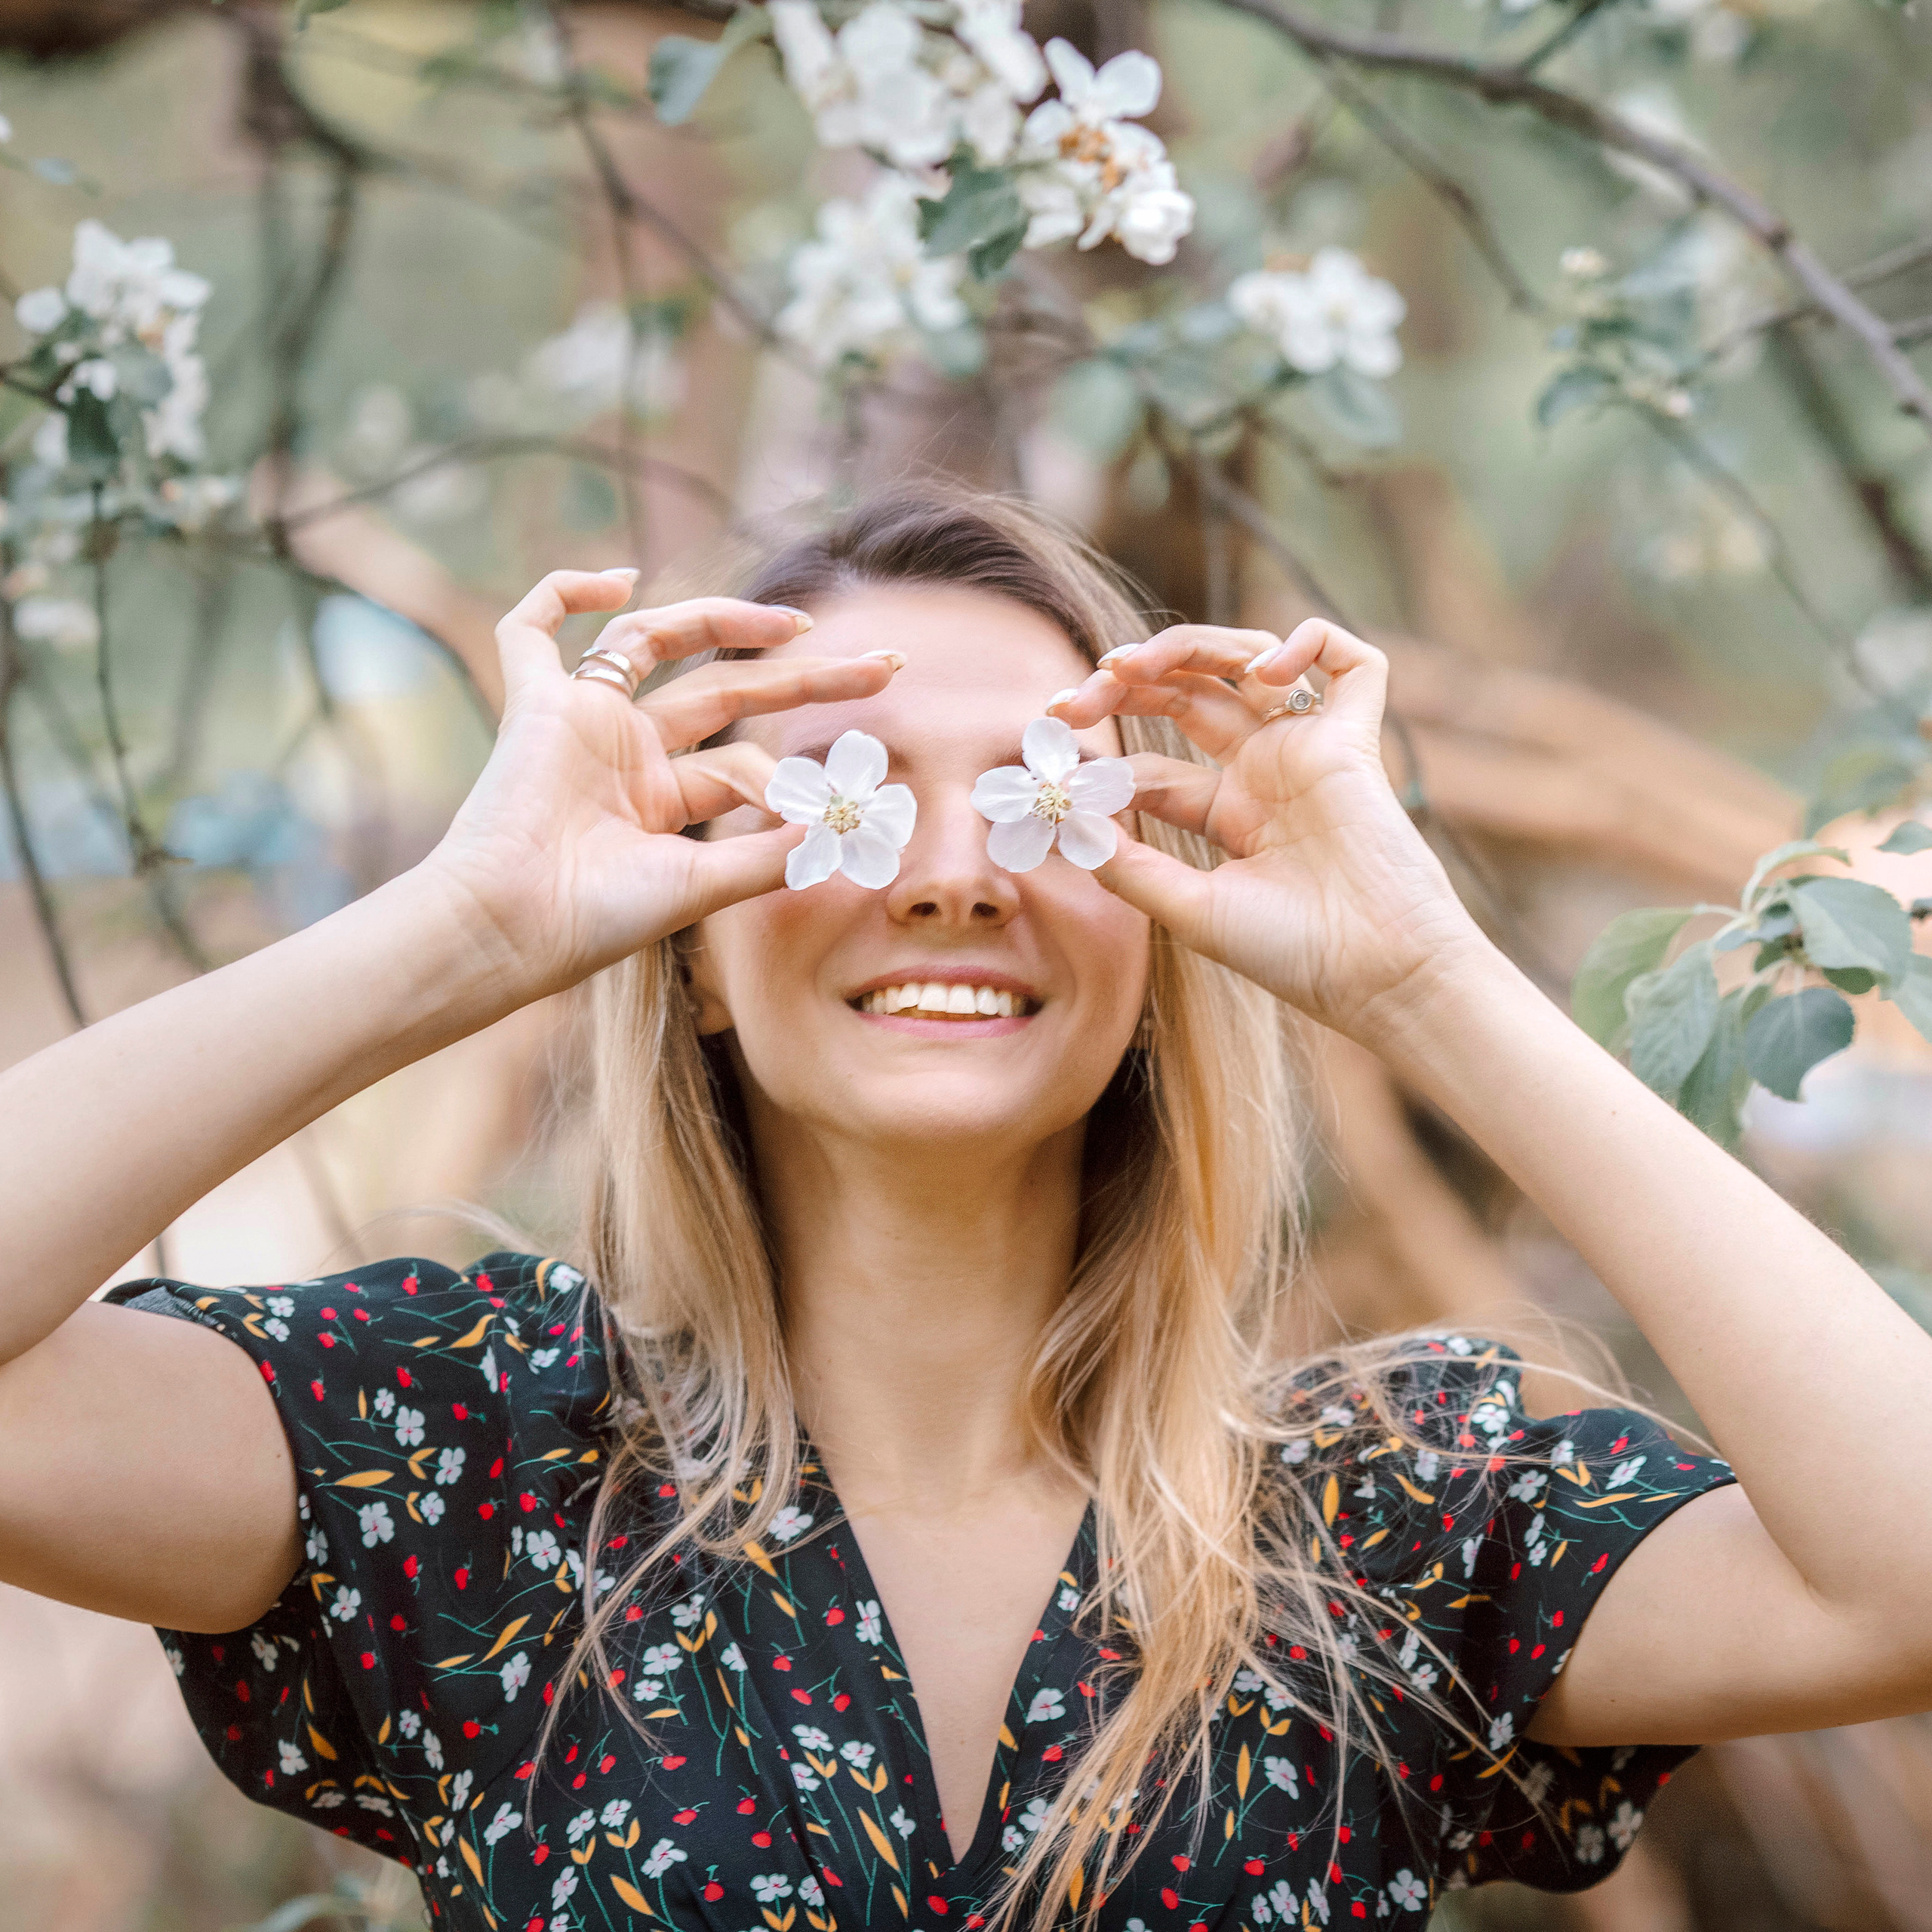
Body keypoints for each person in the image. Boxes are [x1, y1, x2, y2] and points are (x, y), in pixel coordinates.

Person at [2, 489, 1927, 1932]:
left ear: (1159, 935)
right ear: (690, 943)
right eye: (841, 795)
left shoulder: (1391, 1520)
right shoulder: (473, 1458)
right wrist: (467, 925)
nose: (946, 872)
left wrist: (1420, 979)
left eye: (1039, 796)